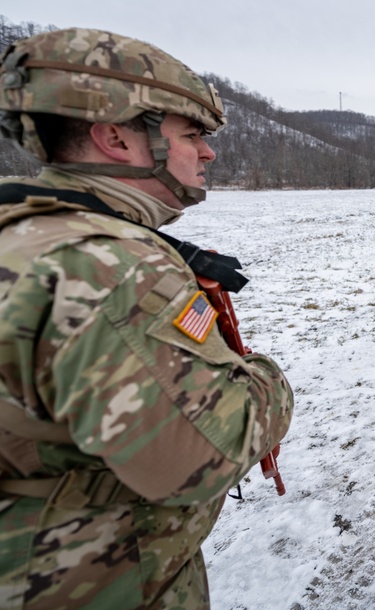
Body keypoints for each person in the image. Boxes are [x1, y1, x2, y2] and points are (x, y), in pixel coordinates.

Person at [0, 28, 294, 609]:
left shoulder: (27, 230)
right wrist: (265, 379)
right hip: (94, 582)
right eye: (191, 135)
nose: (208, 152)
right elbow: (203, 451)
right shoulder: (109, 265)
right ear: (115, 137)